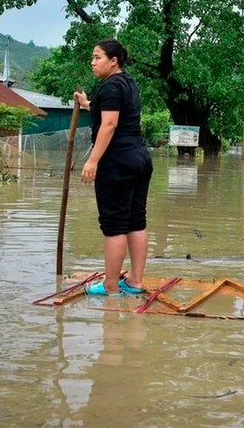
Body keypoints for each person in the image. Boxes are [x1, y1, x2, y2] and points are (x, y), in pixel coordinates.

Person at [74, 39, 153, 297]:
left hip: (117, 161)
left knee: (115, 224)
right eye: (92, 58)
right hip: (140, 157)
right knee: (136, 221)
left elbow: (109, 125)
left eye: (97, 57)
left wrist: (93, 160)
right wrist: (88, 104)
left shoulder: (109, 87)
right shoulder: (127, 83)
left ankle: (110, 286)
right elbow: (111, 112)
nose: (93, 62)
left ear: (113, 60)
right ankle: (135, 282)